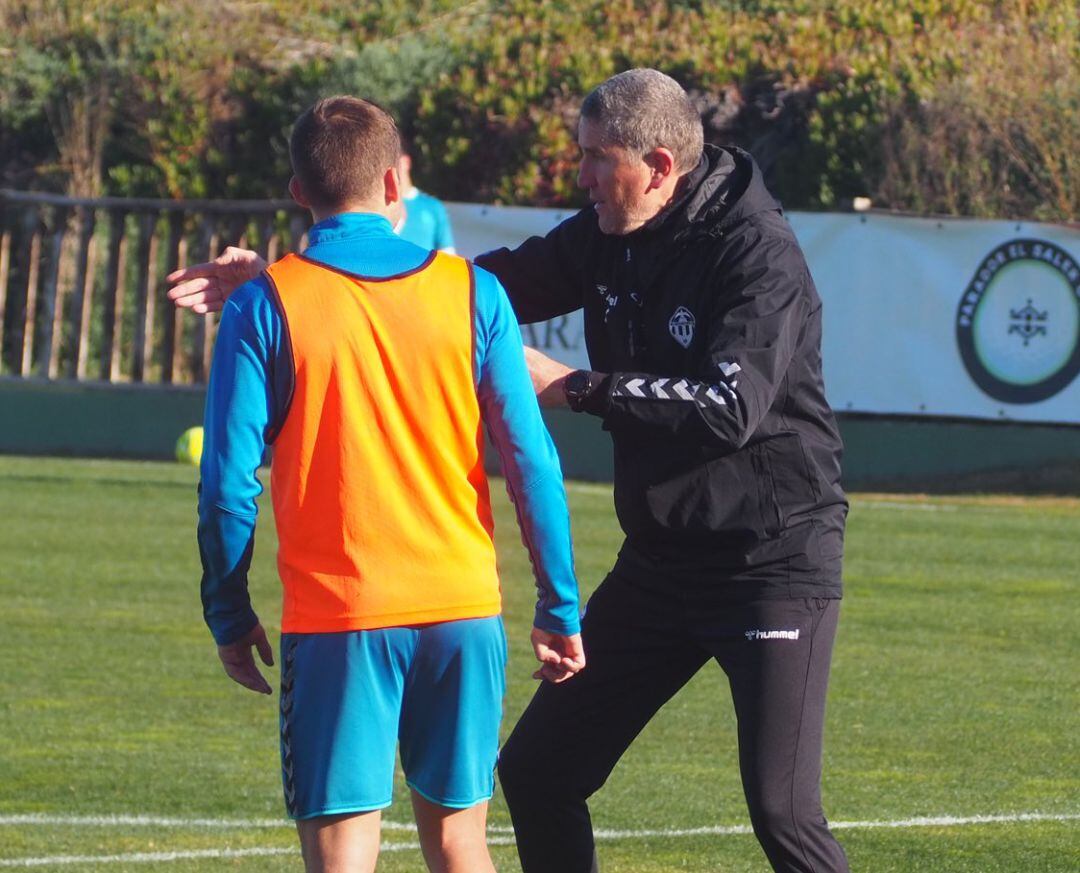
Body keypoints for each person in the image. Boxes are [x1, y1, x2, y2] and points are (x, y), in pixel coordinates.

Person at [170, 69, 849, 873]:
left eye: (599, 158)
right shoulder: (605, 228)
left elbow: (728, 407)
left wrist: (576, 387)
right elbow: (471, 289)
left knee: (782, 811)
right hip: (663, 560)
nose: (583, 176)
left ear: (660, 166)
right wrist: (300, 283)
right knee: (539, 772)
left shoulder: (758, 253)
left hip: (770, 560)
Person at [193, 95, 583, 873]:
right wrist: (559, 601)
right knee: (461, 844)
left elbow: (228, 484)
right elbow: (531, 460)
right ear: (396, 187)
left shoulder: (266, 302)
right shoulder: (473, 291)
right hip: (462, 609)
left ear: (298, 191)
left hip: (342, 616)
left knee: (344, 853)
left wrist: (228, 610)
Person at [394, 143, 456, 252]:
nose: (391, 167)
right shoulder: (378, 208)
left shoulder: (433, 207)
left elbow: (448, 255)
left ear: (406, 161)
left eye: (394, 160)